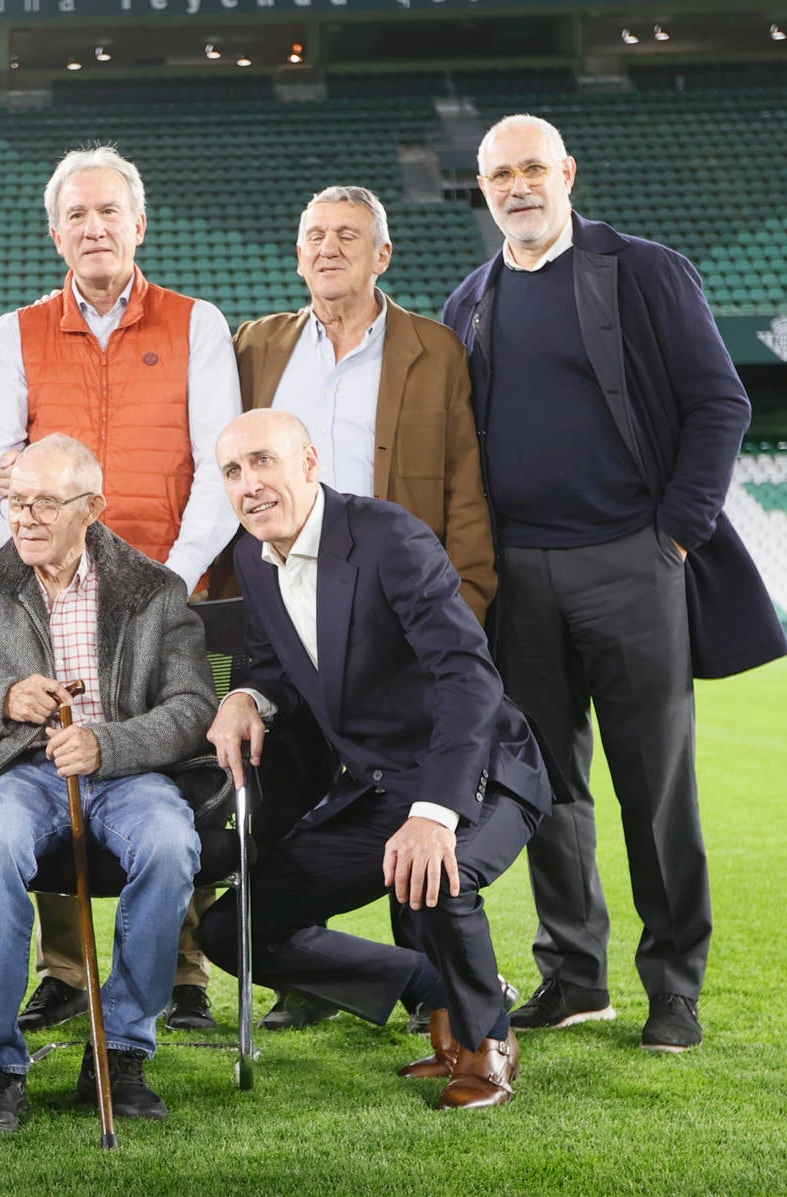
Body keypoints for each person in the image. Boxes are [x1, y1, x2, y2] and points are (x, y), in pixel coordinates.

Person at [444, 115, 787, 1050]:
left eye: (532, 169)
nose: (517, 186)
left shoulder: (645, 271)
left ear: (566, 174)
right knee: (547, 787)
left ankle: (674, 984)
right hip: (520, 576)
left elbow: (722, 403)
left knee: (654, 785)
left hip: (631, 563)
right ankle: (575, 974)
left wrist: (673, 536)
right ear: (482, 188)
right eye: (498, 174)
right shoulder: (469, 299)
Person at [201, 410, 552, 1110]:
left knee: (439, 871)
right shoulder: (251, 555)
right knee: (231, 928)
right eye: (233, 471)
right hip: (377, 787)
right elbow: (273, 665)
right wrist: (243, 696)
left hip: (479, 769)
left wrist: (434, 813)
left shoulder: (388, 537)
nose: (249, 485)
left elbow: (468, 679)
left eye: (263, 461)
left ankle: (488, 1040)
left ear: (309, 462)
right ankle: (442, 987)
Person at [0, 144, 242, 1033]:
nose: (94, 227)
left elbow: (217, 464)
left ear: (138, 224)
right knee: (54, 752)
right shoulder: (17, 331)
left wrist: (172, 572)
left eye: (108, 212)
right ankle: (65, 968)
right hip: (53, 590)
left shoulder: (196, 323)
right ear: (57, 233)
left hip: (171, 586)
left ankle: (184, 968)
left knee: (168, 758)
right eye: (77, 215)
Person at [0, 435, 216, 1133]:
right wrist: (1, 699)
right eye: (14, 502)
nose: (25, 518)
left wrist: (107, 742)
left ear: (91, 508)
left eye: (45, 502)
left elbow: (193, 708)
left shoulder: (155, 589)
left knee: (169, 844)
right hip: (19, 773)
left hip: (127, 773)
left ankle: (120, 1049)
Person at [231, 183, 498, 1033]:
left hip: (402, 619)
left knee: (412, 803)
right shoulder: (257, 346)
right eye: (314, 234)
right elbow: (235, 465)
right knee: (287, 805)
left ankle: (451, 1006)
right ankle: (313, 982)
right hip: (306, 624)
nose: (328, 248)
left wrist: (469, 607)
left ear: (383, 255)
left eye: (349, 235)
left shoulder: (434, 348)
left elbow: (462, 488)